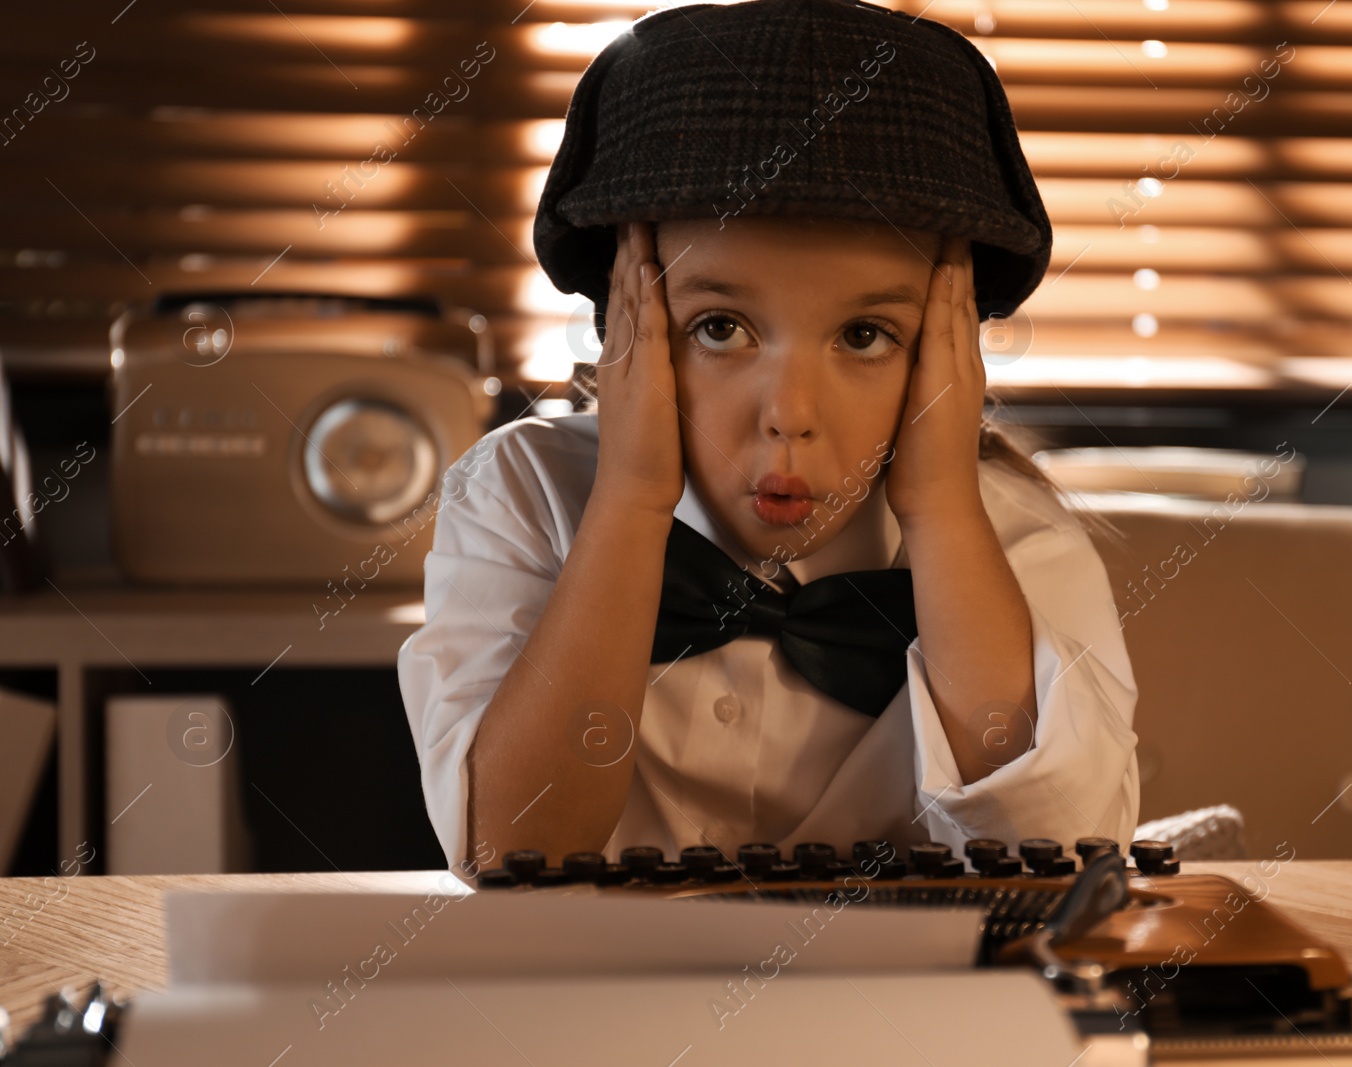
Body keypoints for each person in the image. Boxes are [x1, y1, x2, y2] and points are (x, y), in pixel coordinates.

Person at [398, 0, 1140, 884]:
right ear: (623, 328)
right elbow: (511, 851)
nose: (790, 412)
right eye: (720, 328)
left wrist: (942, 512)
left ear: (950, 353)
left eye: (865, 336)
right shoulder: (519, 494)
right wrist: (630, 506)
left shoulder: (1022, 541)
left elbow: (1056, 853)